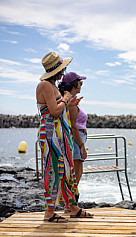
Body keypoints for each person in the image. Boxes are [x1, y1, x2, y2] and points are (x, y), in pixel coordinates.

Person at [36, 52, 93, 222]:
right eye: (62, 69)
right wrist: (66, 98)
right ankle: (49, 212)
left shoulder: (52, 86)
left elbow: (59, 108)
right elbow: (53, 111)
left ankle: (73, 207)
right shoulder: (45, 85)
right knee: (53, 170)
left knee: (67, 170)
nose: (63, 72)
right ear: (57, 71)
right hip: (51, 134)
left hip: (60, 134)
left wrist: (69, 103)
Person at [58, 72, 89, 212]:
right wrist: (82, 146)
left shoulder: (72, 101)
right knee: (76, 173)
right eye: (80, 83)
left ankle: (70, 203)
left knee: (76, 173)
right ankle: (70, 205)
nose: (81, 85)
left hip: (78, 138)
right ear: (74, 84)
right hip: (76, 140)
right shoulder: (70, 103)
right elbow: (74, 127)